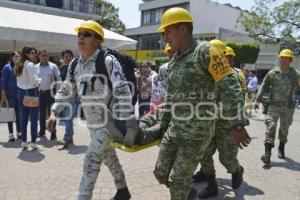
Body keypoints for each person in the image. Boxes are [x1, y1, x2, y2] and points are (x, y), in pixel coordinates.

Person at [153, 8, 250, 200]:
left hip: (197, 134)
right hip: (175, 130)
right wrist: (163, 125)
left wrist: (236, 123)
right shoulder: (174, 61)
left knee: (178, 182)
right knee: (161, 173)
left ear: (182, 29)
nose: (165, 38)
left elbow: (230, 86)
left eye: (167, 32)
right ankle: (188, 194)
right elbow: (171, 97)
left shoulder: (205, 51)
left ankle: (182, 192)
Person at [47, 20, 131, 200]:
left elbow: (123, 90)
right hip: (93, 125)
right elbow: (67, 90)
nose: (81, 38)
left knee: (91, 160)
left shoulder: (108, 61)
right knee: (109, 158)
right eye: (79, 34)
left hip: (109, 124)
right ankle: (123, 190)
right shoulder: (75, 64)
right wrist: (54, 112)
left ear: (98, 40)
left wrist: (125, 122)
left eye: (86, 34)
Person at [192, 43, 248, 198]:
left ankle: (236, 170)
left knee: (227, 158)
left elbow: (239, 100)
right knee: (203, 154)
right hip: (208, 124)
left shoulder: (233, 76)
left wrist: (238, 125)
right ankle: (211, 185)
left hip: (226, 126)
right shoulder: (203, 74)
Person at [254, 49, 299, 166]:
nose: (284, 60)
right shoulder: (272, 73)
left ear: (290, 60)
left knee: (284, 129)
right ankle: (267, 154)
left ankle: (281, 146)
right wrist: (257, 101)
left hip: (288, 107)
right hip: (273, 106)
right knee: (271, 126)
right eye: (282, 58)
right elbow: (263, 87)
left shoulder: (296, 74)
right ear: (279, 59)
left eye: (286, 58)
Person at [15, 46, 41, 150]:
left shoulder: (19, 64)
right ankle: (33, 142)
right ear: (26, 54)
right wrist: (40, 80)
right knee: (34, 118)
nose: (34, 55)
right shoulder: (30, 65)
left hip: (21, 92)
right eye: (32, 53)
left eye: (35, 53)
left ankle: (24, 142)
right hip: (31, 92)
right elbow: (35, 81)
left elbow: (18, 81)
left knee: (23, 117)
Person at [36, 49, 61, 140]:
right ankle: (42, 131)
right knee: (41, 114)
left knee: (52, 114)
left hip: (51, 93)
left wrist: (58, 93)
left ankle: (53, 132)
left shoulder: (53, 66)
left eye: (46, 55)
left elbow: (59, 79)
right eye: (43, 55)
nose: (45, 57)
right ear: (39, 56)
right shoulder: (35, 67)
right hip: (40, 93)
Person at [57, 49, 77, 150]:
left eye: (69, 56)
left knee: (68, 118)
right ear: (63, 58)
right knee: (67, 118)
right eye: (65, 56)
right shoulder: (63, 67)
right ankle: (69, 138)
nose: (67, 58)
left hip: (71, 96)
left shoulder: (74, 68)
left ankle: (67, 138)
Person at [1, 51, 21, 142]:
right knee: (9, 114)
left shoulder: (20, 67)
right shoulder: (7, 67)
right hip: (9, 95)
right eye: (16, 56)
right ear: (12, 57)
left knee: (19, 115)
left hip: (20, 94)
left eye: (19, 56)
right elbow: (3, 81)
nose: (18, 58)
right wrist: (3, 94)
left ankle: (19, 133)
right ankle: (11, 135)